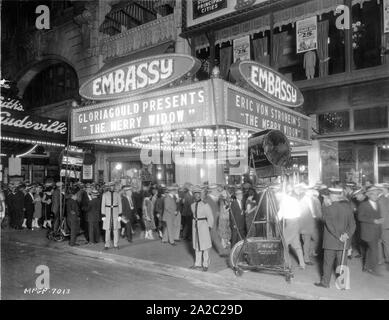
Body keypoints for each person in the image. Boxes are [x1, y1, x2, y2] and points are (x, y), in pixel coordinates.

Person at [314, 187, 356, 288]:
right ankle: (343, 284)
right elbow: (353, 225)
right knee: (342, 263)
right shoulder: (348, 208)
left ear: (332, 196)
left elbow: (329, 226)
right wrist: (347, 235)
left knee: (328, 263)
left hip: (331, 241)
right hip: (344, 242)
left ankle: (325, 283)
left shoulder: (328, 208)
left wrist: (338, 236)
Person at [277, 186, 305, 269]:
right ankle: (302, 264)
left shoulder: (284, 201)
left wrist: (274, 218)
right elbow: (300, 212)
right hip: (296, 222)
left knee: (283, 243)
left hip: (290, 223)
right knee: (296, 244)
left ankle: (287, 264)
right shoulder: (294, 200)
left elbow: (280, 214)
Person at [358, 186, 384, 276]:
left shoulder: (377, 204)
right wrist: (373, 220)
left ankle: (366, 267)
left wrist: (380, 220)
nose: (376, 196)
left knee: (370, 249)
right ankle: (374, 269)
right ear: (369, 195)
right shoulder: (363, 205)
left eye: (377, 194)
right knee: (374, 250)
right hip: (368, 232)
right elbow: (360, 217)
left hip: (376, 231)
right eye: (374, 194)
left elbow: (378, 217)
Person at [190, 186, 214, 272]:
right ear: (193, 195)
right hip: (195, 228)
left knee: (205, 246)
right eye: (195, 194)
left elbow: (210, 217)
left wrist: (209, 227)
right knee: (197, 246)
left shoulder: (205, 205)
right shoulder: (192, 205)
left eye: (198, 194)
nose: (197, 196)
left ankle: (205, 264)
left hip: (203, 227)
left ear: (200, 195)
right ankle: (197, 263)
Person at [297, 184, 319, 266]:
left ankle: (308, 255)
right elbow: (304, 215)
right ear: (307, 192)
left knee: (308, 241)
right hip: (306, 225)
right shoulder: (304, 201)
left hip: (308, 224)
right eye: (311, 191)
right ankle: (306, 258)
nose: (312, 192)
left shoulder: (308, 200)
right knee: (307, 242)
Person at [101, 182, 123, 250]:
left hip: (115, 213)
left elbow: (120, 204)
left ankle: (116, 244)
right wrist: (103, 214)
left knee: (115, 230)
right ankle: (107, 245)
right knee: (107, 230)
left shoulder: (117, 194)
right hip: (107, 214)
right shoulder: (105, 194)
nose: (112, 187)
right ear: (109, 187)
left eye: (113, 186)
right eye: (111, 186)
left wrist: (120, 214)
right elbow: (103, 205)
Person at [377, 183, 389, 267]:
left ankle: (387, 259)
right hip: (379, 224)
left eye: (381, 188)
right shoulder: (380, 197)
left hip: (386, 225)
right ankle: (380, 259)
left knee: (386, 243)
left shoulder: (384, 198)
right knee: (378, 242)